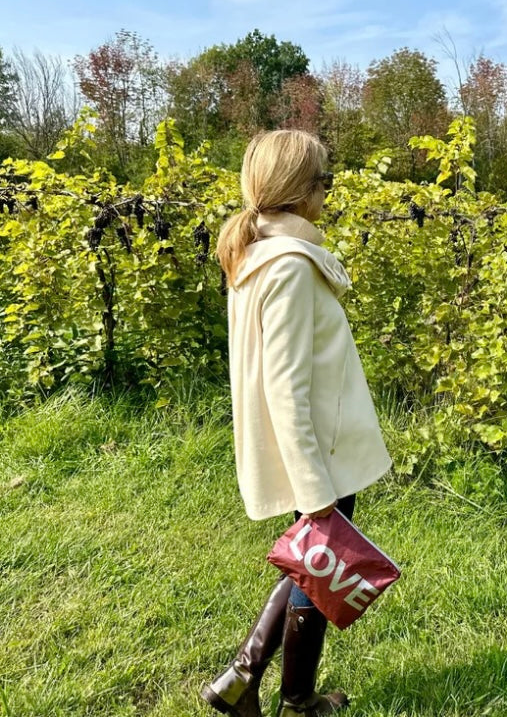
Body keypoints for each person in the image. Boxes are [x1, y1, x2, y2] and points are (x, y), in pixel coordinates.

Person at [201, 129, 393, 717]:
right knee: (317, 568)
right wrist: (314, 490)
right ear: (301, 192)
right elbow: (284, 386)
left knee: (309, 563)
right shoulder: (286, 266)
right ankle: (293, 700)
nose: (329, 192)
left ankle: (244, 680)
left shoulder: (258, 256)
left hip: (316, 443)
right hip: (319, 448)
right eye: (324, 181)